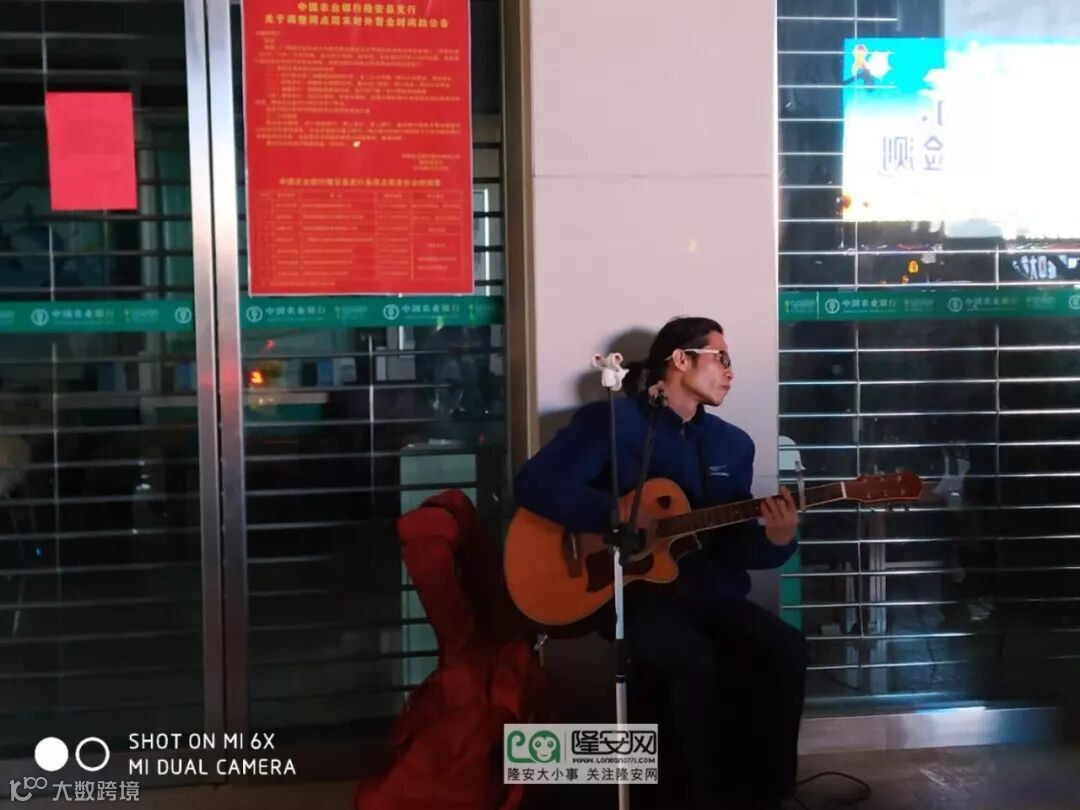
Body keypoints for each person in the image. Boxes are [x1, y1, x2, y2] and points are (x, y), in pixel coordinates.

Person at [513, 317, 807, 810]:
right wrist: (611, 513)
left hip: (710, 593)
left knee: (785, 648)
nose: (731, 372)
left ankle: (768, 793)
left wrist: (777, 540)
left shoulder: (733, 445)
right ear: (680, 360)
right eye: (721, 358)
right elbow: (533, 485)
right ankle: (692, 798)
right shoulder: (613, 424)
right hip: (632, 594)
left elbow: (732, 544)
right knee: (691, 659)